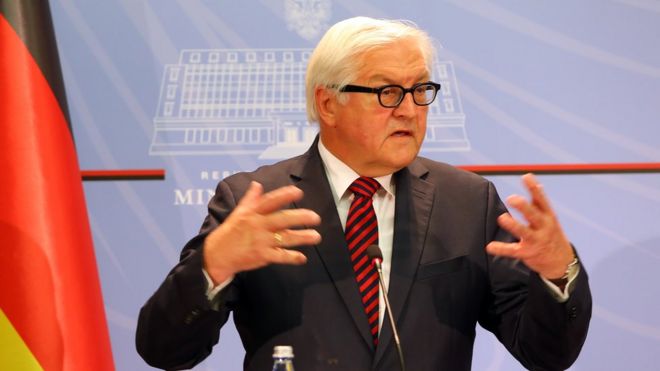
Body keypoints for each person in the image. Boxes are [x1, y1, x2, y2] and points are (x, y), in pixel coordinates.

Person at [136, 17, 591, 370]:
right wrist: (213, 265)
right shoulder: (253, 201)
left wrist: (557, 275)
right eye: (389, 92)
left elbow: (545, 356)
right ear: (328, 103)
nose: (410, 111)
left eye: (420, 90)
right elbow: (164, 350)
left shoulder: (467, 202)